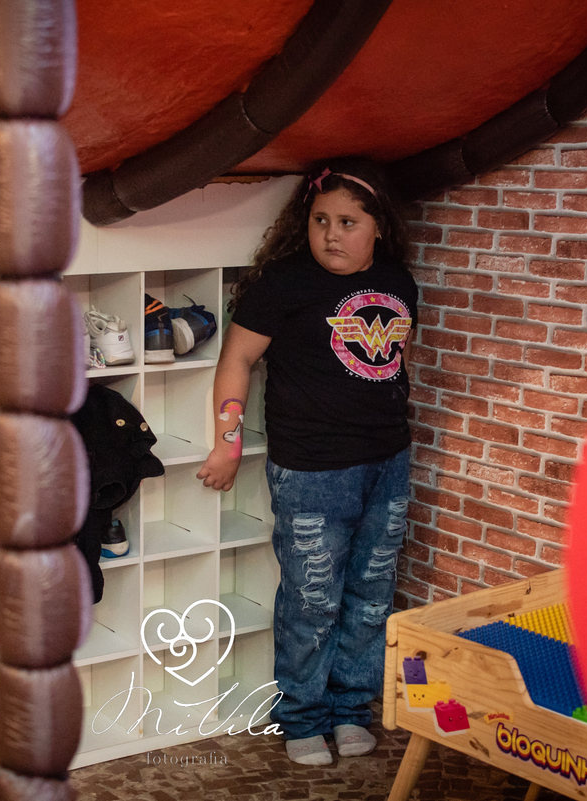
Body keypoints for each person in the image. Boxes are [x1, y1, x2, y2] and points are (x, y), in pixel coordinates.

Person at [197, 157, 416, 765]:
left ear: (378, 227)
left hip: (388, 462)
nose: (331, 234)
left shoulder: (399, 282)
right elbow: (237, 361)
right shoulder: (284, 283)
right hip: (313, 471)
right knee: (312, 599)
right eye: (320, 220)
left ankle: (350, 711)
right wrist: (227, 444)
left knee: (371, 595)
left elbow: (391, 363)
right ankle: (301, 718)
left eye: (348, 222)